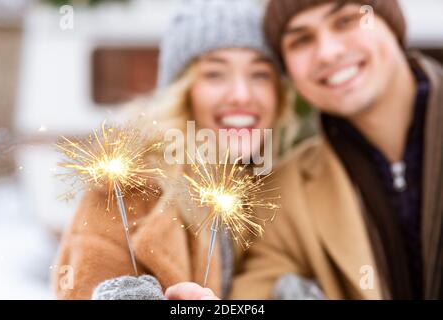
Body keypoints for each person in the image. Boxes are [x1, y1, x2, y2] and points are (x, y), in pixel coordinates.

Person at [169, 0, 443, 300]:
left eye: (345, 21)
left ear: (391, 24)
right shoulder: (282, 195)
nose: (328, 52)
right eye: (301, 40)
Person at [52, 0, 297, 300]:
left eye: (260, 74)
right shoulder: (126, 194)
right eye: (215, 74)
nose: (241, 95)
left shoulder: (285, 189)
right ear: (183, 92)